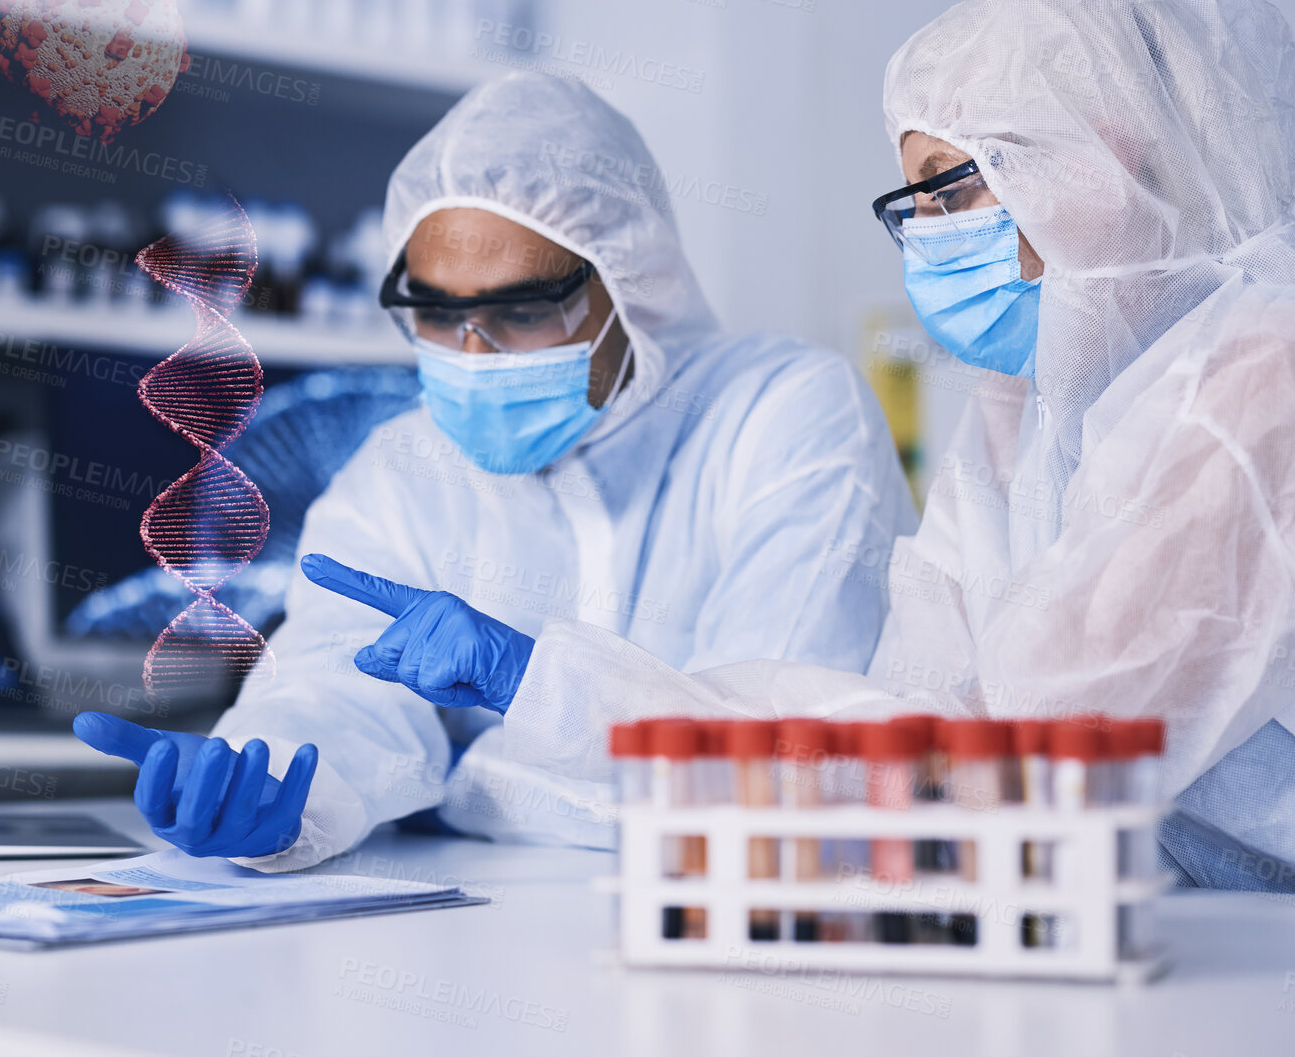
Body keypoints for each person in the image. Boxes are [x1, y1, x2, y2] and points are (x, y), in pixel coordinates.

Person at [413, 0, 1295, 894]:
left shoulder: (1278, 361)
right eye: (918, 204)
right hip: (1185, 923)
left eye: (951, 189)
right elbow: (915, 707)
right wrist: (553, 686)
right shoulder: (1024, 402)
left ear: (1105, 159)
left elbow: (1027, 756)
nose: (929, 234)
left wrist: (572, 696)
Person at [74, 72, 917, 869]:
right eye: (437, 314)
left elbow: (777, 754)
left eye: (521, 311)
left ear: (628, 278)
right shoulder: (402, 468)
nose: (473, 354)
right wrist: (276, 790)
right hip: (488, 929)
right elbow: (334, 689)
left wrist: (527, 688)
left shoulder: (779, 413)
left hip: (718, 930)